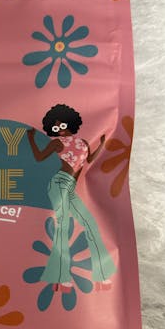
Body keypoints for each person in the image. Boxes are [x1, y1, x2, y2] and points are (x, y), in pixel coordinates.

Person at [27, 104, 116, 293]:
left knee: (90, 224)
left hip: (70, 188)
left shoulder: (83, 142)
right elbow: (39, 157)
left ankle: (101, 274)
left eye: (62, 125)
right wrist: (31, 140)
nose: (60, 129)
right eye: (55, 127)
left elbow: (89, 160)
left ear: (70, 122)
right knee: (63, 227)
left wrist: (101, 143)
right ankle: (60, 277)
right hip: (59, 184)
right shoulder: (57, 143)